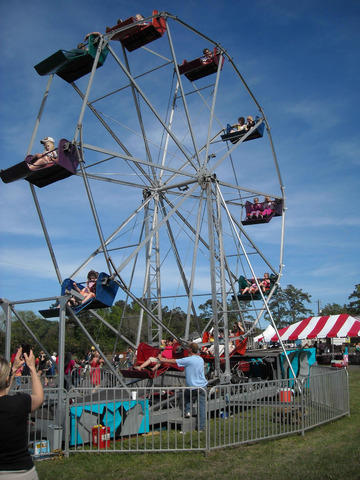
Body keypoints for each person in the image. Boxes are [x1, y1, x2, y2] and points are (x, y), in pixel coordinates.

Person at [0, 347, 44, 479]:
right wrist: (31, 367)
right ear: (6, 380)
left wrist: (12, 371)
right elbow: (39, 397)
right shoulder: (19, 403)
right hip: (21, 472)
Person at [159, 342, 207, 431]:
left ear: (190, 350)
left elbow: (174, 361)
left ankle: (187, 411)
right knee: (201, 408)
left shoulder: (188, 360)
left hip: (192, 386)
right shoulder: (200, 359)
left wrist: (162, 359)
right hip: (202, 386)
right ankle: (201, 427)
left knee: (186, 396)